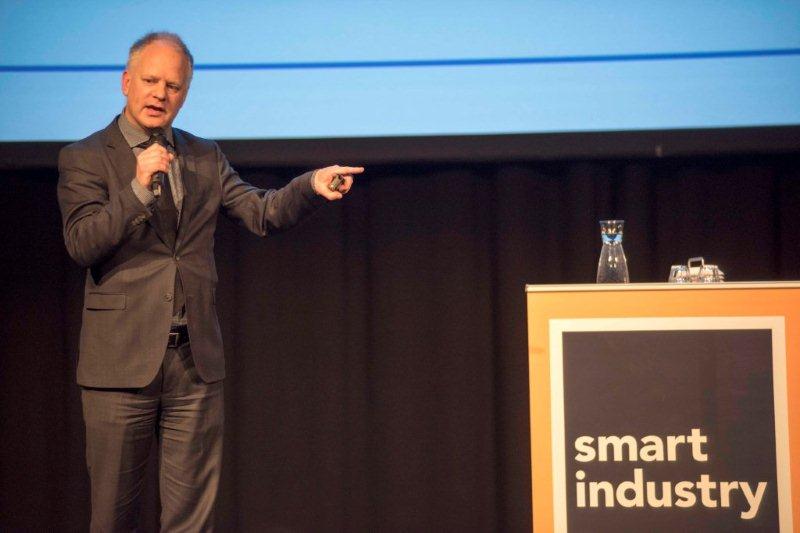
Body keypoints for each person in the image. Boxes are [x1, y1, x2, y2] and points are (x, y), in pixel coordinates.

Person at [56, 31, 363, 531]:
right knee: (113, 518)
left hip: (193, 364)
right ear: (127, 82)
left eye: (173, 86)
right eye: (150, 81)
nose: (160, 94)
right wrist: (137, 189)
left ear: (185, 94)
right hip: (120, 364)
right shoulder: (86, 156)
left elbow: (261, 212)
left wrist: (308, 186)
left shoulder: (203, 155)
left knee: (192, 522)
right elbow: (82, 243)